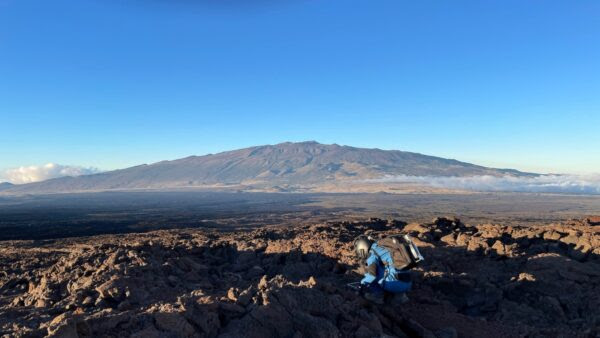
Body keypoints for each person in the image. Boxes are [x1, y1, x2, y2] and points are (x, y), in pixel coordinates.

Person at [354, 235, 423, 304]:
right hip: (408, 283)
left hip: (393, 285)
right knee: (391, 268)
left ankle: (378, 296)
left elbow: (372, 276)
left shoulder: (373, 253)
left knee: (372, 275)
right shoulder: (384, 246)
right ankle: (400, 296)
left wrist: (361, 284)